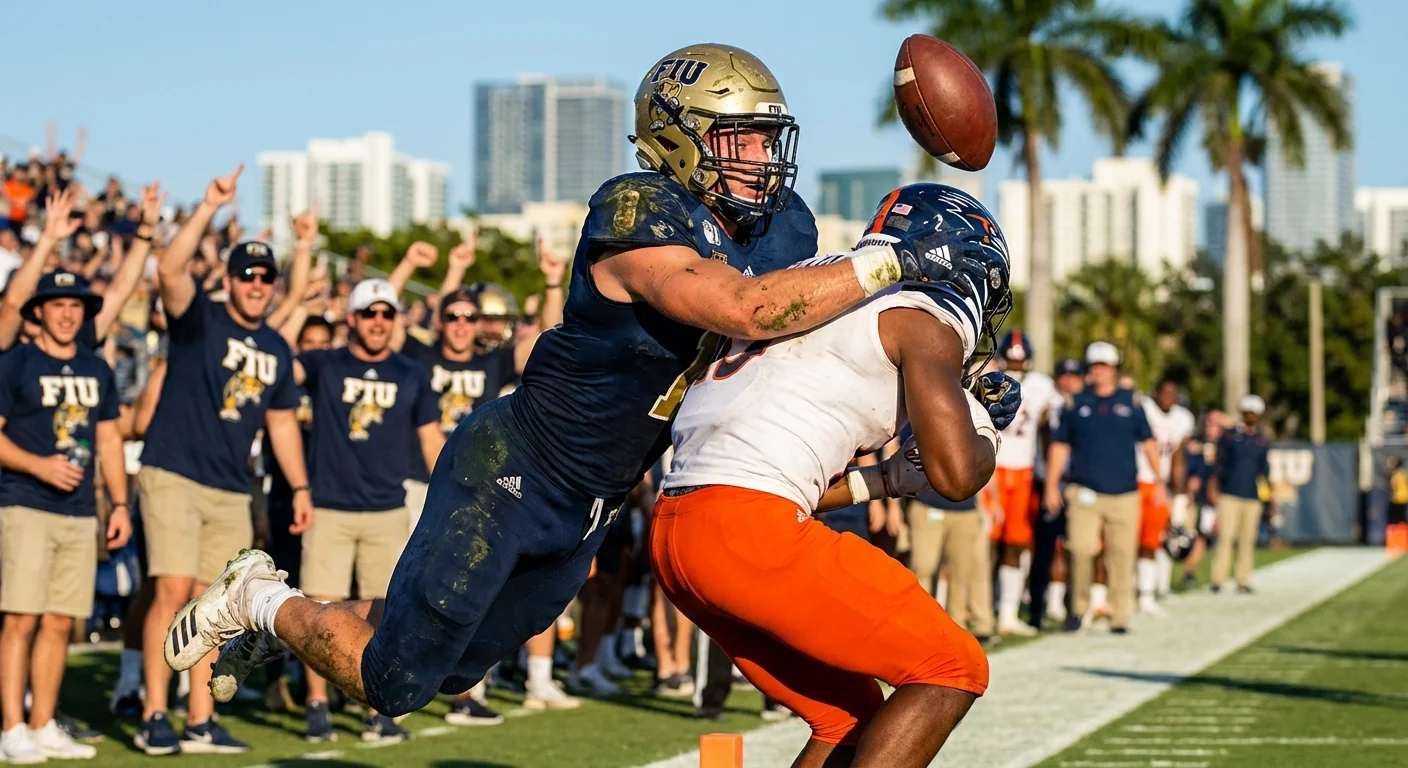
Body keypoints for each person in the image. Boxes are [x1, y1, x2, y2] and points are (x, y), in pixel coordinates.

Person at [166, 43, 971, 719]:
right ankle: (260, 599)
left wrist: (943, 382)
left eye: (768, 139)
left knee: (449, 669)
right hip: (515, 470)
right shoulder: (635, 211)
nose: (764, 159)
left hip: (597, 500)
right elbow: (748, 310)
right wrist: (894, 256)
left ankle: (290, 617)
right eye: (743, 140)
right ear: (680, 138)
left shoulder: (783, 225)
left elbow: (806, 342)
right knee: (395, 683)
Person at [652, 183, 1016, 766]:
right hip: (748, 529)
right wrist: (989, 436)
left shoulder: (821, 280)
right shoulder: (920, 315)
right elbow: (955, 476)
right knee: (952, 667)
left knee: (846, 718)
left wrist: (890, 479)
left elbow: (795, 486)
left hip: (683, 531)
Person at [135, 166, 314, 755]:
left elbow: (283, 422)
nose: (257, 283)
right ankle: (154, 712)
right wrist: (210, 205)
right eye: (247, 273)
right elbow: (168, 268)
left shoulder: (275, 345)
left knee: (222, 608)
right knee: (172, 591)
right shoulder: (200, 320)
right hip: (173, 472)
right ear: (230, 279)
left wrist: (301, 487)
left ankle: (200, 719)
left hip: (230, 486)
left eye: (266, 276)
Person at [0, 270, 132, 762]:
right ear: (38, 312)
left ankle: (43, 723)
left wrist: (119, 504)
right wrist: (38, 465)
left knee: (60, 622)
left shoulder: (97, 369)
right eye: (57, 304)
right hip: (24, 502)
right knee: (21, 619)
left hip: (80, 512)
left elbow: (109, 440)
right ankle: (12, 727)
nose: (67, 313)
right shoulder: (16, 363)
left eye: (75, 305)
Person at [1044, 342, 1159, 634]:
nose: (1099, 372)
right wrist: (1051, 485)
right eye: (1094, 366)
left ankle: (1119, 615)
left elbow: (1148, 442)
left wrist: (1160, 481)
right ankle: (1078, 608)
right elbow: (1060, 446)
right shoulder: (1075, 403)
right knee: (1081, 550)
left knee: (1121, 556)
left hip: (1124, 492)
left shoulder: (1131, 401)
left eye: (1104, 366)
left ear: (1114, 369)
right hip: (1085, 492)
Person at [987, 329, 1056, 636]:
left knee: (1016, 542)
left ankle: (1008, 613)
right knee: (987, 542)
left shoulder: (1042, 387)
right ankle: (984, 605)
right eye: (1012, 361)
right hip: (992, 469)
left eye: (1021, 361)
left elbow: (1051, 422)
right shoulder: (988, 379)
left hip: (1025, 470)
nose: (1016, 366)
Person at [1134, 378, 1195, 613]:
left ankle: (1146, 594)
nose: (1169, 396)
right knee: (1129, 539)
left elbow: (1178, 458)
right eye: (1165, 391)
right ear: (1155, 393)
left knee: (1152, 541)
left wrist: (1179, 493)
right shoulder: (1143, 408)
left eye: (1173, 392)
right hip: (1134, 479)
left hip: (1159, 486)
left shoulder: (1182, 419)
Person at [1208, 394, 1271, 593]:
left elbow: (1264, 471)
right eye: (1248, 412)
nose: (1251, 416)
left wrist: (1269, 497)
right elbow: (1218, 463)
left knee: (1247, 541)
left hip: (1252, 496)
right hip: (1229, 493)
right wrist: (1214, 486)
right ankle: (1218, 579)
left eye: (1254, 413)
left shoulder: (1262, 440)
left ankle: (1243, 580)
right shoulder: (1229, 435)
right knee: (1226, 538)